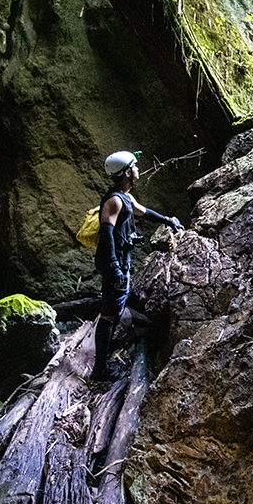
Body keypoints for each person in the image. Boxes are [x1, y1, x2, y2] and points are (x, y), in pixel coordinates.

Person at [92, 150, 182, 380]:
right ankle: (99, 370)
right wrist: (113, 264)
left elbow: (143, 212)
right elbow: (107, 232)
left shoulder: (125, 197)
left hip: (121, 261)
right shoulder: (114, 200)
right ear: (126, 172)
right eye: (135, 166)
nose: (138, 169)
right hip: (116, 263)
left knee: (114, 308)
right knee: (109, 314)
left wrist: (167, 220)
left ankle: (104, 359)